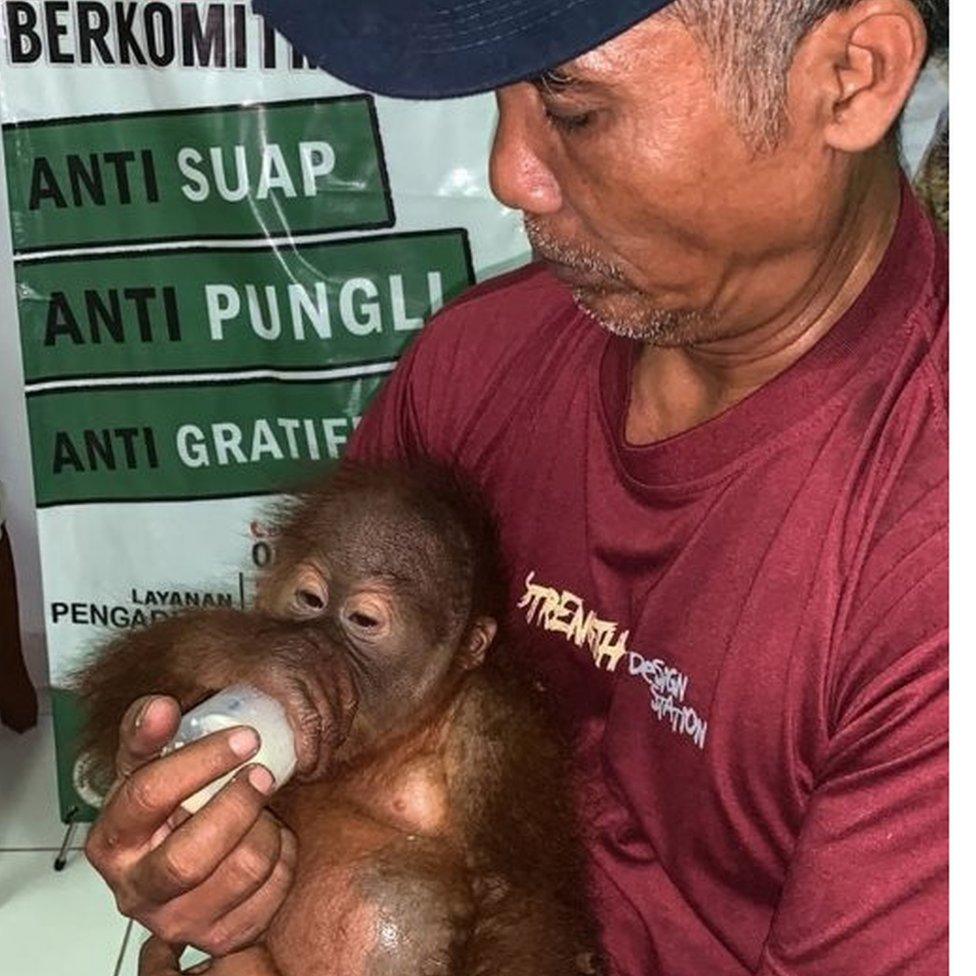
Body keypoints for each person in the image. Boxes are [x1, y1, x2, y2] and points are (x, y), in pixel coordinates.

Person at [84, 2, 948, 973]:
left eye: (571, 108)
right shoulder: (478, 362)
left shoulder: (926, 562)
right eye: (504, 95)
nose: (510, 174)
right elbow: (320, 697)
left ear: (852, 74)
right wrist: (201, 825)